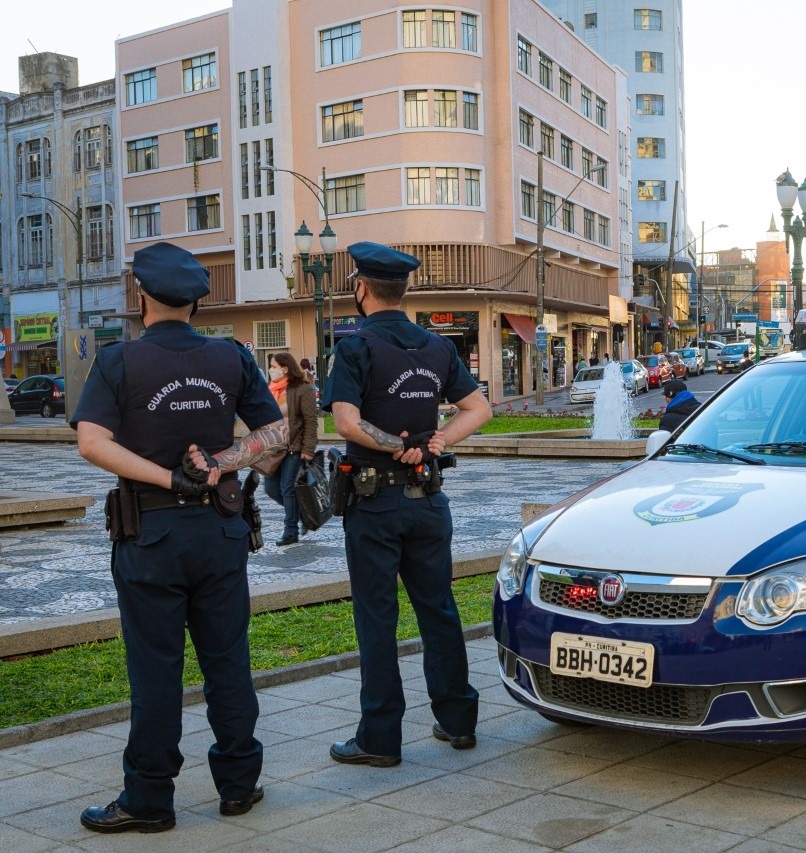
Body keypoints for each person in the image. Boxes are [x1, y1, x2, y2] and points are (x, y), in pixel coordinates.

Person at [72, 242, 288, 833]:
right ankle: (239, 785)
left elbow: (92, 442)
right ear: (197, 300)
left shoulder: (119, 362)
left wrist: (171, 475)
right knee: (228, 662)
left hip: (151, 534)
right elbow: (275, 433)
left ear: (141, 297)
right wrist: (220, 462)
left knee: (155, 669)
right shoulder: (230, 356)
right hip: (220, 531)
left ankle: (148, 800)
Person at [323, 241, 492, 766]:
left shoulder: (354, 346)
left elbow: (345, 423)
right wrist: (439, 440)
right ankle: (458, 720)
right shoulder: (436, 346)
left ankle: (379, 739)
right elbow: (478, 409)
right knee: (438, 608)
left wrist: (396, 445)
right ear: (406, 290)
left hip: (375, 503)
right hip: (428, 500)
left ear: (361, 288)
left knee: (378, 617)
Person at [263, 352, 318, 547]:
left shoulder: (303, 389)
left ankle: (290, 531)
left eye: (274, 366)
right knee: (270, 488)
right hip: (273, 448)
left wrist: (308, 449)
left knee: (288, 488)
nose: (271, 370)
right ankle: (303, 514)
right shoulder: (270, 389)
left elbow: (311, 421)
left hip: (294, 447)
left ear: (285, 368)